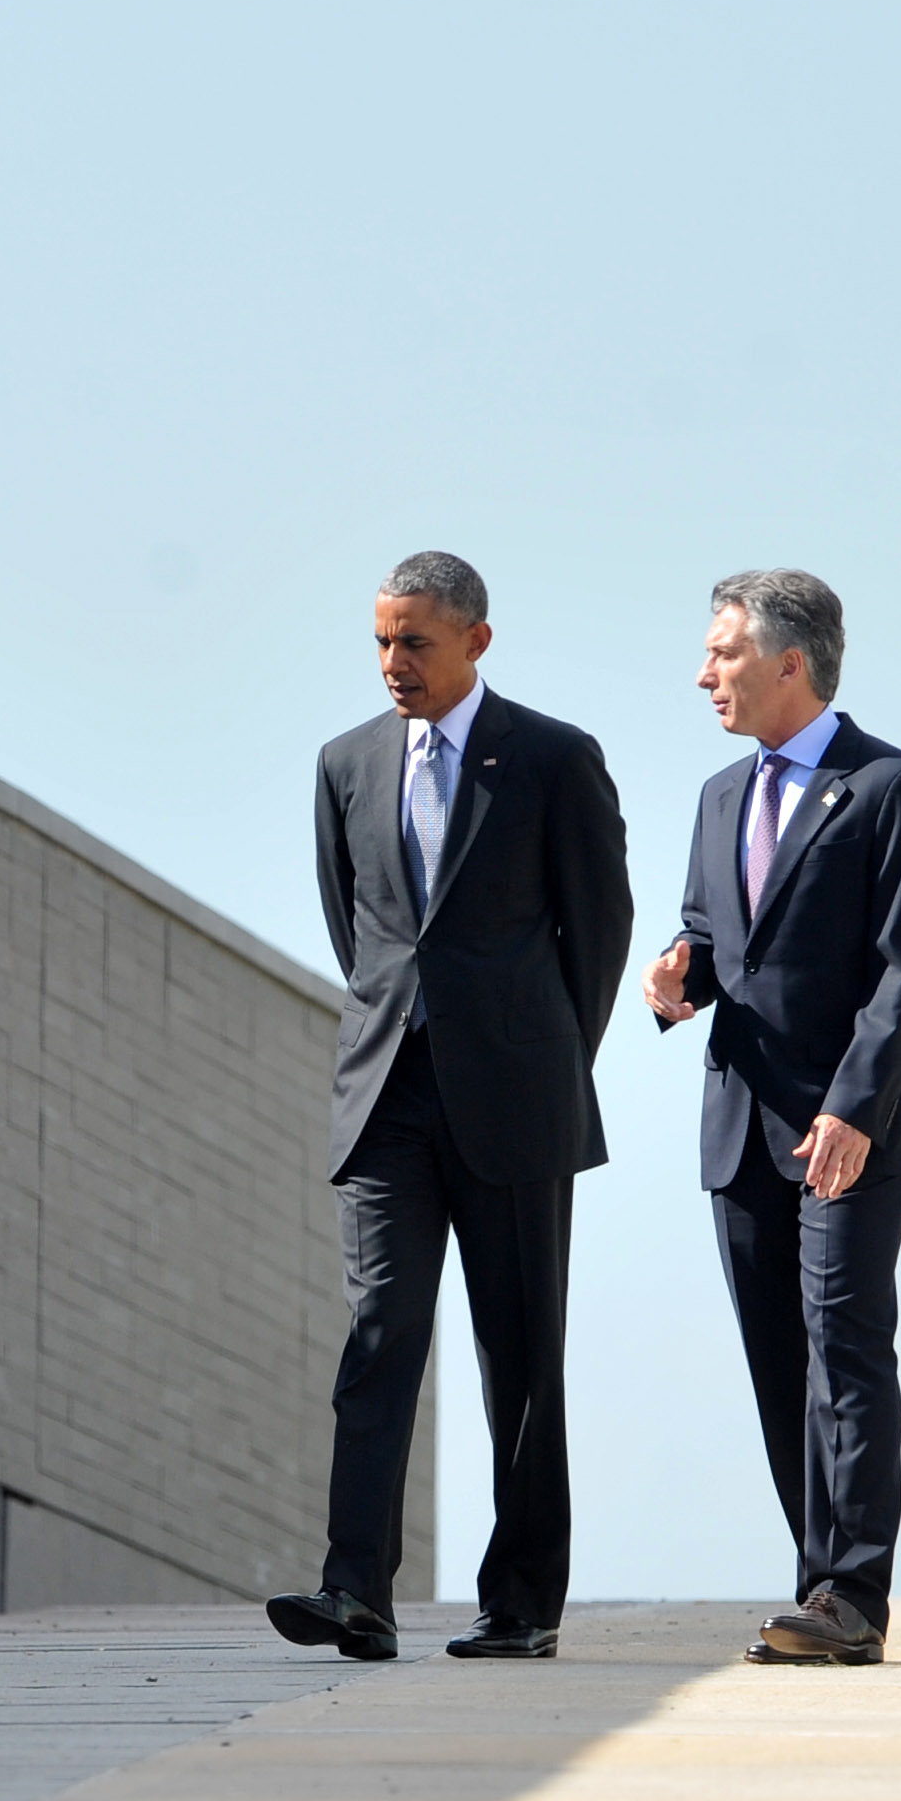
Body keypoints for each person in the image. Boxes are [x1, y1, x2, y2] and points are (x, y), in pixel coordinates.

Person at [267, 552, 632, 1662]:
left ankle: (521, 1602)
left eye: (414, 641)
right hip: (386, 1097)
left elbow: (598, 935)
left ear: (476, 638)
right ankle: (355, 1589)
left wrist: (542, 1057)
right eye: (380, 639)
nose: (393, 663)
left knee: (518, 1353)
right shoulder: (344, 763)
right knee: (379, 1333)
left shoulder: (556, 759)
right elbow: (361, 936)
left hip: (517, 1098)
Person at [641, 570, 901, 1667]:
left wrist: (854, 1106)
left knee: (845, 1349)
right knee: (780, 1360)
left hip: (849, 1128)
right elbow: (716, 937)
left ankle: (851, 1594)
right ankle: (813, 1581)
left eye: (720, 651)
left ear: (788, 662)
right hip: (741, 1124)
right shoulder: (720, 794)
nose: (701, 672)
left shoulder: (889, 787)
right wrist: (682, 975)